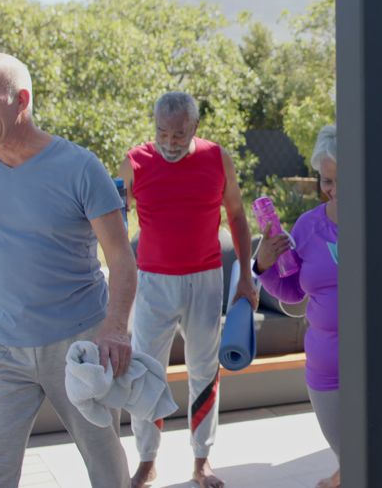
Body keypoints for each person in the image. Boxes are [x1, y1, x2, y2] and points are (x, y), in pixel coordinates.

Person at [0, 52, 134, 486]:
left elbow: (121, 258)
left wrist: (115, 328)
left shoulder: (81, 167)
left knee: (103, 460)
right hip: (1, 350)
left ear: (20, 99)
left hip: (79, 343)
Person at [256, 124, 382, 488]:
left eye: (340, 180)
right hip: (328, 370)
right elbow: (292, 292)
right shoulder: (307, 227)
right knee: (354, 464)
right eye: (326, 181)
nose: (332, 191)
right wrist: (264, 267)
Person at [119, 91, 258, 488]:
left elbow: (236, 217)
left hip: (206, 278)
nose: (170, 141)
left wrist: (245, 276)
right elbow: (113, 220)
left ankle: (201, 461)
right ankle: (147, 460)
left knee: (203, 371)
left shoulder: (217, 158)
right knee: (147, 372)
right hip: (153, 282)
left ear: (195, 127)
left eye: (179, 134)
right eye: (162, 132)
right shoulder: (135, 161)